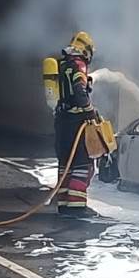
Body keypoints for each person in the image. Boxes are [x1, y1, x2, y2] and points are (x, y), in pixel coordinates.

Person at [53, 31, 97, 217]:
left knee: (65, 165)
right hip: (76, 122)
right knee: (82, 165)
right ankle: (77, 207)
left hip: (62, 122)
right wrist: (89, 110)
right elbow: (79, 91)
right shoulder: (79, 65)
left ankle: (64, 204)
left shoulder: (62, 64)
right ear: (86, 50)